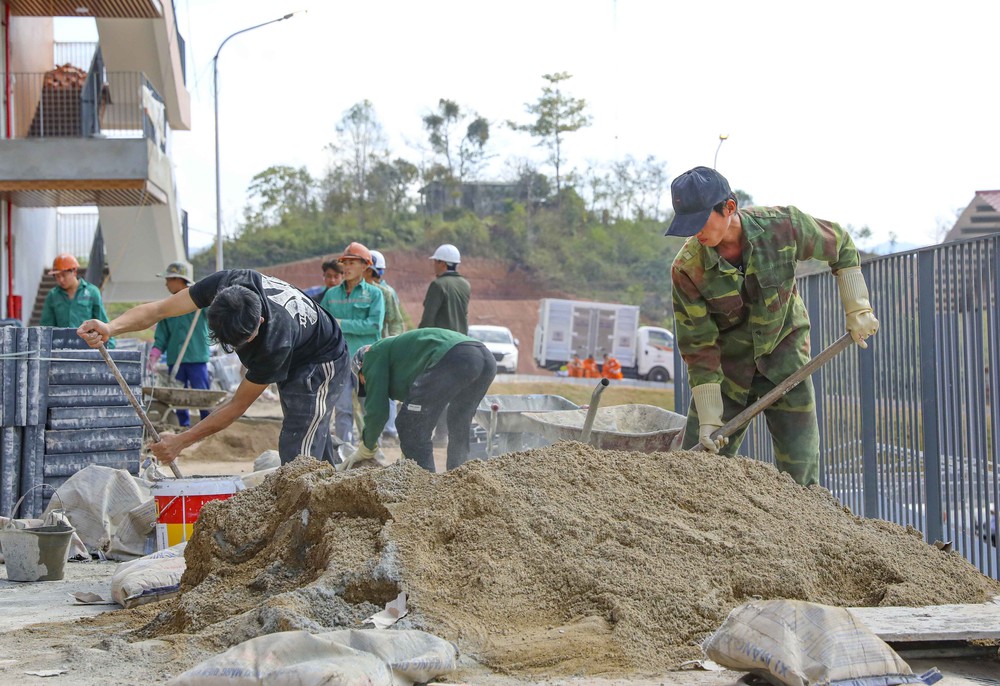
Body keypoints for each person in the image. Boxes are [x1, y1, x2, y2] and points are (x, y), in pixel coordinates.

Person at [667, 166, 879, 486]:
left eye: (699, 221)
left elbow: (841, 244)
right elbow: (698, 345)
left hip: (785, 357)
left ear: (729, 207)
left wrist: (857, 305)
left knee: (801, 471)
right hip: (728, 371)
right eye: (686, 224)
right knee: (697, 471)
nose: (694, 232)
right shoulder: (688, 269)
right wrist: (710, 415)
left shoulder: (781, 227)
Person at [77, 269, 349, 467]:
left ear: (261, 321)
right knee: (313, 438)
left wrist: (182, 440)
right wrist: (110, 327)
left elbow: (236, 407)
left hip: (321, 361)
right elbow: (157, 310)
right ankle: (334, 504)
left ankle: (305, 526)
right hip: (299, 346)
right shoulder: (227, 284)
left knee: (298, 447)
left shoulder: (275, 341)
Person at [344, 328, 496, 473]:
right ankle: (459, 479)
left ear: (361, 367)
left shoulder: (372, 354)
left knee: (409, 425)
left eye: (363, 380)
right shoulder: (402, 356)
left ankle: (424, 489)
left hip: (455, 356)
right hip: (485, 359)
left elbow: (377, 410)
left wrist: (367, 447)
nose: (365, 384)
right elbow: (421, 402)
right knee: (459, 420)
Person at [320, 242, 385, 443]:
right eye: (345, 262)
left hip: (366, 363)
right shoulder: (331, 295)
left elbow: (374, 325)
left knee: (369, 408)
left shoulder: (375, 294)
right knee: (342, 409)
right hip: (339, 362)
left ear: (365, 266)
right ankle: (344, 449)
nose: (346, 267)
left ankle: (372, 449)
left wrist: (340, 324)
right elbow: (322, 325)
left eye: (352, 263)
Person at [419, 243, 471, 447]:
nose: (434, 266)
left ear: (442, 263)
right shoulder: (465, 285)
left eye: (435, 262)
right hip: (463, 344)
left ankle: (438, 435)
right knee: (454, 391)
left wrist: (419, 342)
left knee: (437, 391)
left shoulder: (438, 285)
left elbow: (428, 319)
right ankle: (446, 434)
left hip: (441, 346)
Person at [148, 261, 212, 427]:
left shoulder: (200, 303)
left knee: (202, 396)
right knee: (177, 398)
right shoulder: (167, 306)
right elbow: (162, 334)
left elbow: (215, 313)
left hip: (197, 358)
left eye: (168, 279)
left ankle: (206, 427)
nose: (166, 283)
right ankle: (182, 427)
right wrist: (156, 352)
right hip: (176, 361)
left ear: (179, 280)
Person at [365, 249, 405, 441]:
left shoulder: (387, 293)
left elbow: (395, 322)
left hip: (384, 346)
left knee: (386, 388)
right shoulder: (362, 292)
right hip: (368, 347)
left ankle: (389, 429)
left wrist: (394, 343)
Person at [40, 254, 112, 334]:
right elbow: (46, 327)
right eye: (57, 276)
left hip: (87, 344)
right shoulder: (53, 295)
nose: (61, 280)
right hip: (61, 344)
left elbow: (102, 321)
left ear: (74, 271)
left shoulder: (92, 292)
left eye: (63, 275)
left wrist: (110, 344)